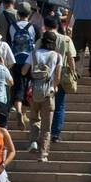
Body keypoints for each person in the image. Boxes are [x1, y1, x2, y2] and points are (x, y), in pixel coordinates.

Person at [37, 14, 76, 144]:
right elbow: (71, 58)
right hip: (62, 75)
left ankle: (42, 131)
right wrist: (73, 73)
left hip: (42, 77)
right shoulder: (66, 40)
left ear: (45, 26)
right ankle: (55, 133)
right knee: (59, 106)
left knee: (43, 106)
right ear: (57, 26)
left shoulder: (41, 40)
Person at [27, 30, 62, 160]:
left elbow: (25, 70)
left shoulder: (34, 54)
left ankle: (34, 141)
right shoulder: (57, 56)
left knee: (34, 119)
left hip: (34, 91)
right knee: (47, 127)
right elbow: (57, 76)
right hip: (49, 92)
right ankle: (43, 154)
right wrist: (56, 86)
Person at [8, 1, 38, 125]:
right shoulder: (32, 27)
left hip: (16, 60)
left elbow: (9, 43)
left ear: (17, 13)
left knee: (18, 86)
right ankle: (25, 114)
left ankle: (19, 110)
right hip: (29, 60)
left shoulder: (12, 26)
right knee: (28, 86)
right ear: (29, 13)